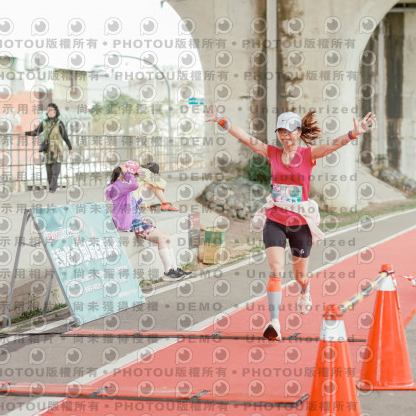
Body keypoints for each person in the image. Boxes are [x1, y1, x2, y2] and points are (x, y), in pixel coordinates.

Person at [205, 105, 375, 341]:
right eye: (281, 132)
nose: (286, 136)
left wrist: (354, 133)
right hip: (275, 219)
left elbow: (332, 145)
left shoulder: (308, 155)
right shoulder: (273, 153)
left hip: (300, 223)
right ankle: (274, 322)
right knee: (276, 271)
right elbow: (246, 138)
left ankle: (305, 289)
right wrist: (220, 120)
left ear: (299, 132)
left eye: (290, 131)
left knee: (299, 276)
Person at [105, 161, 191, 281]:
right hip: (132, 223)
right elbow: (134, 185)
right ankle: (168, 272)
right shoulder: (118, 185)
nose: (136, 177)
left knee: (166, 237)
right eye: (135, 175)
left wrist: (144, 205)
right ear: (127, 174)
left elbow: (130, 202)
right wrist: (126, 172)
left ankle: (174, 269)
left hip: (138, 219)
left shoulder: (122, 184)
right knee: (161, 238)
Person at [25, 103, 73, 193]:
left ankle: (52, 188)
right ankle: (52, 187)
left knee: (56, 170)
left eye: (51, 110)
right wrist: (25, 133)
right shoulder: (44, 123)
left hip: (57, 150)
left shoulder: (59, 123)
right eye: (48, 110)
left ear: (56, 111)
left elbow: (65, 136)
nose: (50, 112)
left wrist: (70, 147)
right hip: (47, 150)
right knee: (49, 171)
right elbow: (36, 132)